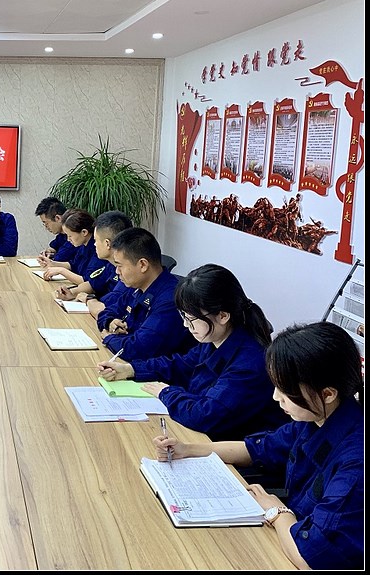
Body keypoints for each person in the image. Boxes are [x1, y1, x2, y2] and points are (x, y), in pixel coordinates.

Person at [152, 321, 364, 570]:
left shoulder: (356, 461)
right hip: (289, 534)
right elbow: (257, 448)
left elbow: (309, 558)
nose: (275, 397)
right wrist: (187, 450)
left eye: (285, 390)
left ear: (327, 394)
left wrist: (278, 512)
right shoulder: (318, 418)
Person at [98, 264, 289, 440]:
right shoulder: (215, 338)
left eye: (191, 319)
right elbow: (181, 364)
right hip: (200, 434)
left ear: (223, 316)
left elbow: (206, 415)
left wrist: (166, 392)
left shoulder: (250, 363)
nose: (185, 325)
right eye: (183, 316)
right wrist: (131, 369)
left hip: (229, 447)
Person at [95, 227, 195, 360]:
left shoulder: (171, 299)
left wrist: (110, 338)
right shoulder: (137, 285)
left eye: (120, 266)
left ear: (143, 265)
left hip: (155, 370)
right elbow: (107, 311)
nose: (117, 271)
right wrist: (110, 322)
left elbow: (140, 349)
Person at [56, 210, 132, 320]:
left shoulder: (127, 273)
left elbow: (107, 306)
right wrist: (71, 293)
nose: (94, 244)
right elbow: (93, 284)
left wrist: (89, 299)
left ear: (107, 244)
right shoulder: (110, 265)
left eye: (96, 240)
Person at [40, 209, 104, 284]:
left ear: (84, 232)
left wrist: (61, 271)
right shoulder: (83, 245)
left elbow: (88, 282)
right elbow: (74, 264)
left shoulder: (97, 250)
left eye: (70, 236)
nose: (68, 239)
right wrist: (52, 263)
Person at [34, 196, 76, 262]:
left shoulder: (74, 235)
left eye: (46, 223)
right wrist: (48, 252)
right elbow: (54, 247)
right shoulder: (61, 235)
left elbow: (61, 257)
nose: (46, 227)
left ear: (58, 218)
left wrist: (53, 256)